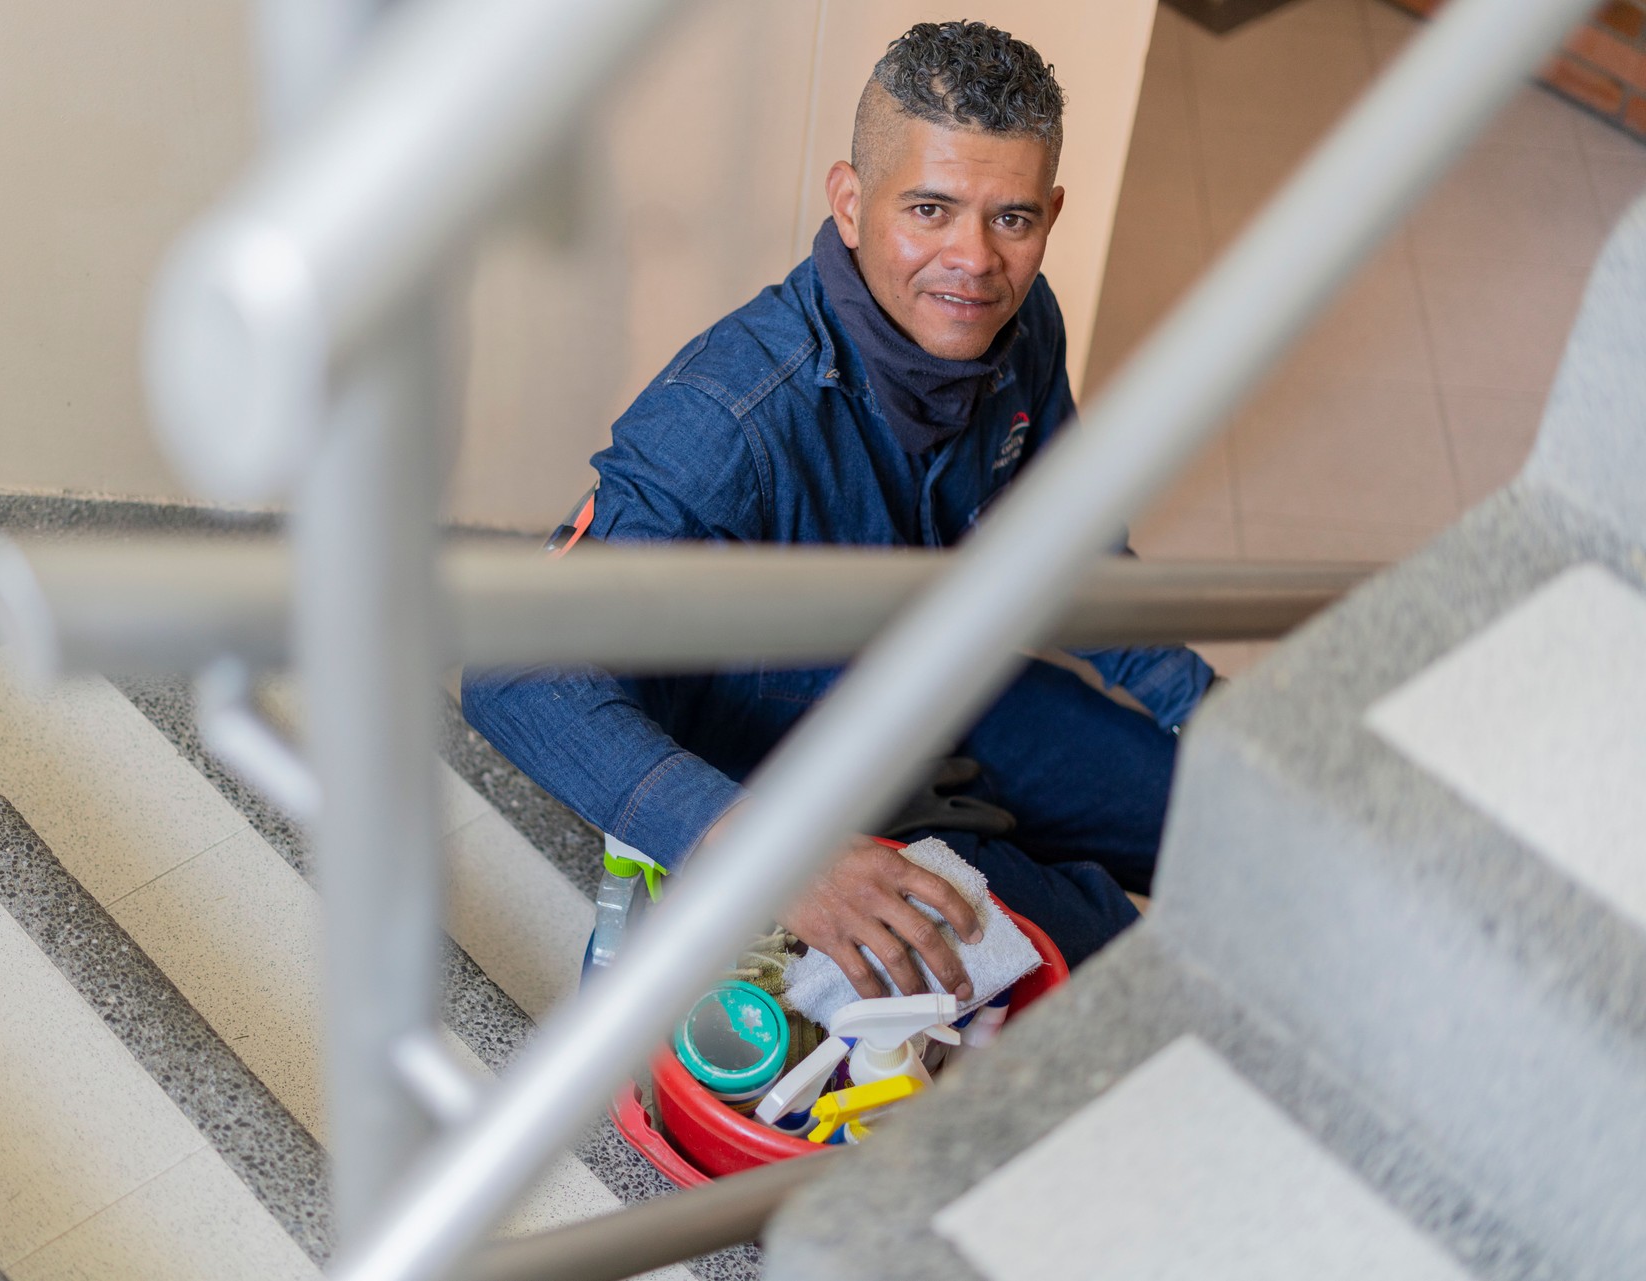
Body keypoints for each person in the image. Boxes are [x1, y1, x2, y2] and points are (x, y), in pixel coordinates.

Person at [462, 21, 1214, 992]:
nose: (974, 261)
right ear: (851, 204)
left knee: (1226, 811)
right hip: (796, 772)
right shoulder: (729, 422)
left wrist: (1207, 708)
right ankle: (1039, 895)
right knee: (1114, 968)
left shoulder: (1025, 328)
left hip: (946, 693)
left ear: (1052, 214)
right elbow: (513, 672)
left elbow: (1064, 539)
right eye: (931, 209)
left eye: (1011, 219)